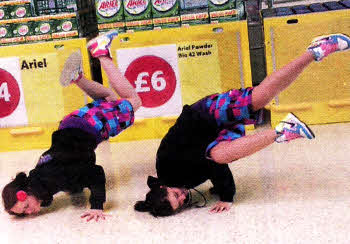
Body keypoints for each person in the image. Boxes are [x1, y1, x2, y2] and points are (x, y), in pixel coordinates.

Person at [134, 33, 350, 217]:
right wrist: (223, 195)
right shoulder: (183, 182)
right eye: (181, 202)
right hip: (217, 135)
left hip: (206, 115)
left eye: (176, 195)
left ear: (163, 187)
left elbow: (203, 159)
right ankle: (283, 130)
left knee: (259, 98)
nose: (183, 196)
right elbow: (213, 165)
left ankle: (315, 51)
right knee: (218, 155)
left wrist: (224, 192)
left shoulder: (166, 165)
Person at [2, 30, 141, 222]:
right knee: (109, 99)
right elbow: (64, 165)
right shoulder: (37, 178)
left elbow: (96, 173)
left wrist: (97, 205)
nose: (30, 212)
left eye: (26, 207)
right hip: (71, 123)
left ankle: (101, 53)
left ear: (26, 192)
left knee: (133, 101)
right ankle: (77, 78)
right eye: (24, 213)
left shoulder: (55, 179)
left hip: (88, 127)